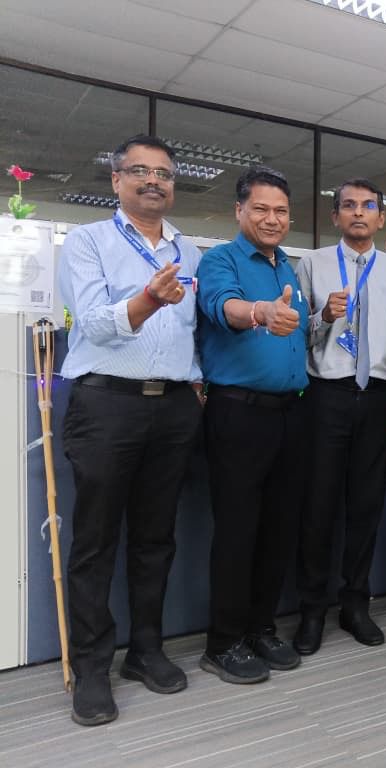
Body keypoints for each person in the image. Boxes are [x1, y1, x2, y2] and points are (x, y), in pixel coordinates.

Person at [57, 134, 203, 726]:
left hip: (173, 408)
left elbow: (192, 329)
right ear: (116, 180)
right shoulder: (87, 241)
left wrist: (196, 380)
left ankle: (145, 649)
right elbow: (93, 322)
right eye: (139, 171)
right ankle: (92, 667)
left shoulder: (189, 251)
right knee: (95, 541)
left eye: (163, 173)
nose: (153, 181)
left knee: (155, 537)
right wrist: (147, 299)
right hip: (106, 405)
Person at [196, 166, 309, 684]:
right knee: (238, 531)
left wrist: (319, 317)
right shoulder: (219, 260)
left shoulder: (289, 267)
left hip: (290, 414)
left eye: (280, 210)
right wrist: (260, 311)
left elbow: (294, 331)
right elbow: (224, 307)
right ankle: (223, 642)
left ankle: (261, 627)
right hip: (238, 413)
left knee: (278, 529)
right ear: (239, 211)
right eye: (260, 208)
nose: (271, 218)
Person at [292, 178, 386, 654]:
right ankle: (311, 610)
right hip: (326, 396)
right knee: (318, 507)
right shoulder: (311, 264)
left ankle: (355, 604)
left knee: (366, 506)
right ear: (336, 216)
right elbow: (294, 335)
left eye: (367, 206)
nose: (358, 213)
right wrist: (323, 317)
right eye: (348, 206)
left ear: (381, 218)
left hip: (379, 397)